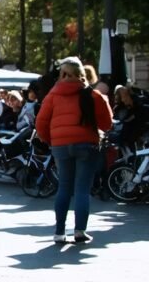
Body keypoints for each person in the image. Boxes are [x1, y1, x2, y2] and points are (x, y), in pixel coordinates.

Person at [36, 57, 113, 244]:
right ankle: (79, 231)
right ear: (82, 74)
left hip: (61, 146)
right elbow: (107, 123)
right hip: (87, 145)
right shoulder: (93, 96)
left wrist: (51, 140)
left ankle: (59, 232)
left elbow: (41, 123)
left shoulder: (52, 95)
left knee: (64, 188)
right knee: (82, 190)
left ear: (62, 74)